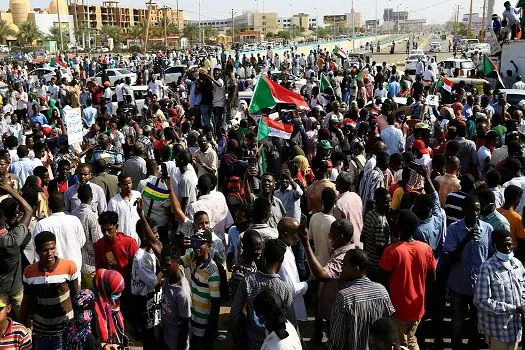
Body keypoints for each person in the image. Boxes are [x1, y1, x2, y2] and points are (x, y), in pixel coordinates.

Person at [380, 209, 436, 350]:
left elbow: (383, 280)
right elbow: (432, 277)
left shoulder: (392, 251)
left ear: (398, 226)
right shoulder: (426, 249)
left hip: (397, 309)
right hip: (417, 308)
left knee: (400, 344)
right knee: (411, 339)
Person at [444, 194, 494, 349]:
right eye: (471, 210)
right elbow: (450, 257)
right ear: (464, 210)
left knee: (477, 323)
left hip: (479, 286)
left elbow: (491, 255)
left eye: (477, 210)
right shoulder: (453, 229)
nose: (475, 213)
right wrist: (466, 239)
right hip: (459, 284)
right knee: (457, 322)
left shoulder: (487, 229)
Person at [20, 231, 80, 349]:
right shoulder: (29, 272)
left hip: (64, 330)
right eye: (45, 250)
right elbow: (27, 301)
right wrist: (21, 325)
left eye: (52, 248)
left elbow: (76, 296)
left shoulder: (69, 267)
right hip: (40, 332)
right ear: (37, 251)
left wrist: (77, 324)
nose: (50, 253)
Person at [298, 219, 354, 340]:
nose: (329, 238)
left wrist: (306, 245)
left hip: (337, 313)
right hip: (332, 311)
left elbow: (322, 275)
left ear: (341, 236)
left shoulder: (344, 257)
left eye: (331, 235)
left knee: (335, 340)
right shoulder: (342, 252)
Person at [329, 249, 395, 350]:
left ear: (355, 269)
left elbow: (338, 341)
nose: (341, 268)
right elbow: (388, 328)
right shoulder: (382, 290)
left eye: (344, 265)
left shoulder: (344, 297)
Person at [179, 229, 221, 350]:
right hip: (191, 314)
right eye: (194, 242)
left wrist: (212, 328)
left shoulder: (212, 272)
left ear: (209, 246)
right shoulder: (192, 257)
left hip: (203, 321)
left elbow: (216, 303)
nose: (197, 247)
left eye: (201, 243)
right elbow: (177, 261)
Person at [33, 191, 86, 275]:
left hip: (52, 274)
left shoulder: (41, 224)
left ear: (49, 206)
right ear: (65, 204)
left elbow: (38, 250)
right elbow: (81, 242)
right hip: (73, 270)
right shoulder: (74, 220)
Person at [0, 181, 32, 318]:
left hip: (1, 292)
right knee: (24, 322)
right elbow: (29, 210)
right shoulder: (12, 240)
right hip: (16, 291)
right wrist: (10, 191)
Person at [277, 217, 308, 324]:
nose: (298, 237)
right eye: (296, 233)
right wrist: (308, 282)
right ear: (285, 234)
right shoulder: (283, 257)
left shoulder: (286, 248)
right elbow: (291, 290)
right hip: (288, 311)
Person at [160, 244, 191, 350]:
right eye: (162, 264)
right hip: (166, 336)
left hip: (176, 344)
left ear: (177, 263)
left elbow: (185, 326)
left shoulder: (183, 294)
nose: (163, 268)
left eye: (167, 265)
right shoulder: (169, 277)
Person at [71, 184, 102, 289]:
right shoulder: (92, 216)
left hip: (76, 264)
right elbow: (98, 242)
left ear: (78, 197)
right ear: (92, 196)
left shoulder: (73, 214)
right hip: (90, 266)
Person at [361, 187, 392, 282]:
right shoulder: (381, 222)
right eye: (386, 202)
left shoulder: (370, 214)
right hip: (378, 268)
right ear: (377, 203)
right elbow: (380, 249)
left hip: (369, 263)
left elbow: (362, 237)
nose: (389, 205)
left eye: (390, 201)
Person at [92, 269, 127, 346]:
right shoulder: (92, 307)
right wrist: (104, 346)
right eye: (116, 293)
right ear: (106, 289)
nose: (119, 295)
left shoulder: (110, 300)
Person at [107, 173, 142, 245]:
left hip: (138, 237)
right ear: (119, 185)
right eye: (125, 184)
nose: (128, 186)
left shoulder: (137, 195)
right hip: (123, 239)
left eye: (130, 183)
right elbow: (111, 223)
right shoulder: (114, 202)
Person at [334, 172, 364, 248]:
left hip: (350, 244)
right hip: (361, 240)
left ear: (339, 185)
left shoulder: (339, 204)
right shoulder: (356, 197)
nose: (335, 184)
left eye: (337, 182)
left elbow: (339, 228)